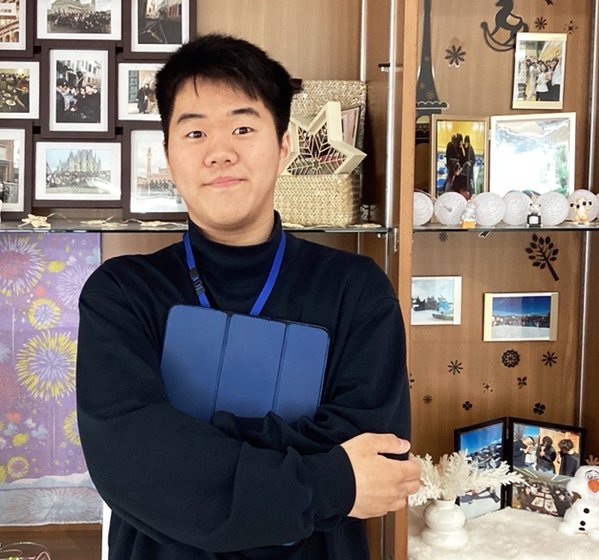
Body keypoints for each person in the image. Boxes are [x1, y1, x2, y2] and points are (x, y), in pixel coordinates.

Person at [77, 34, 418, 559]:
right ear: (168, 155)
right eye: (194, 132)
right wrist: (330, 480)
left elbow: (381, 456)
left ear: (283, 146)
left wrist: (194, 446)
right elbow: (132, 464)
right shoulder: (122, 294)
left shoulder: (356, 289)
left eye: (242, 127)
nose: (220, 152)